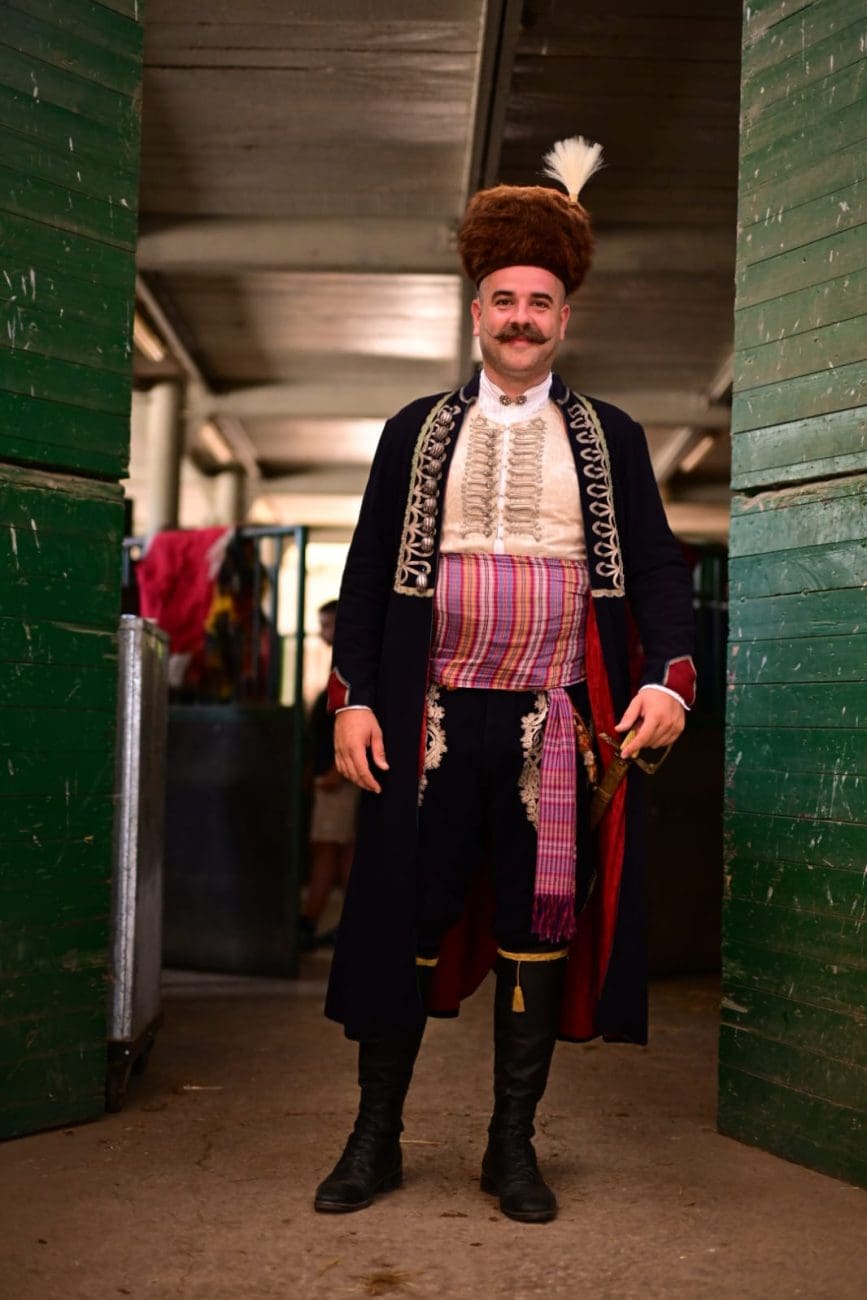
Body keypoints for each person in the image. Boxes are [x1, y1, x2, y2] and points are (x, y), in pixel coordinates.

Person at [314, 138, 696, 1223]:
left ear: (564, 317)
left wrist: (669, 682)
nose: (521, 319)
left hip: (552, 729)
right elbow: (365, 575)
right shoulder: (414, 431)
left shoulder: (612, 437)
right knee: (403, 919)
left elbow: (657, 574)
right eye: (503, 300)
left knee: (540, 923)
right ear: (475, 311)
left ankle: (511, 1148)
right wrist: (352, 699)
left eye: (539, 302)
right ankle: (374, 1140)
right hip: (424, 722)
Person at [298, 600, 360, 952]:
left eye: (330, 624)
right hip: (334, 773)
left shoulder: (352, 666)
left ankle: (311, 923)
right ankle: (348, 927)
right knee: (341, 850)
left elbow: (349, 716)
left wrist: (337, 769)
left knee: (329, 850)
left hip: (339, 777)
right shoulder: (340, 664)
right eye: (322, 625)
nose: (325, 633)